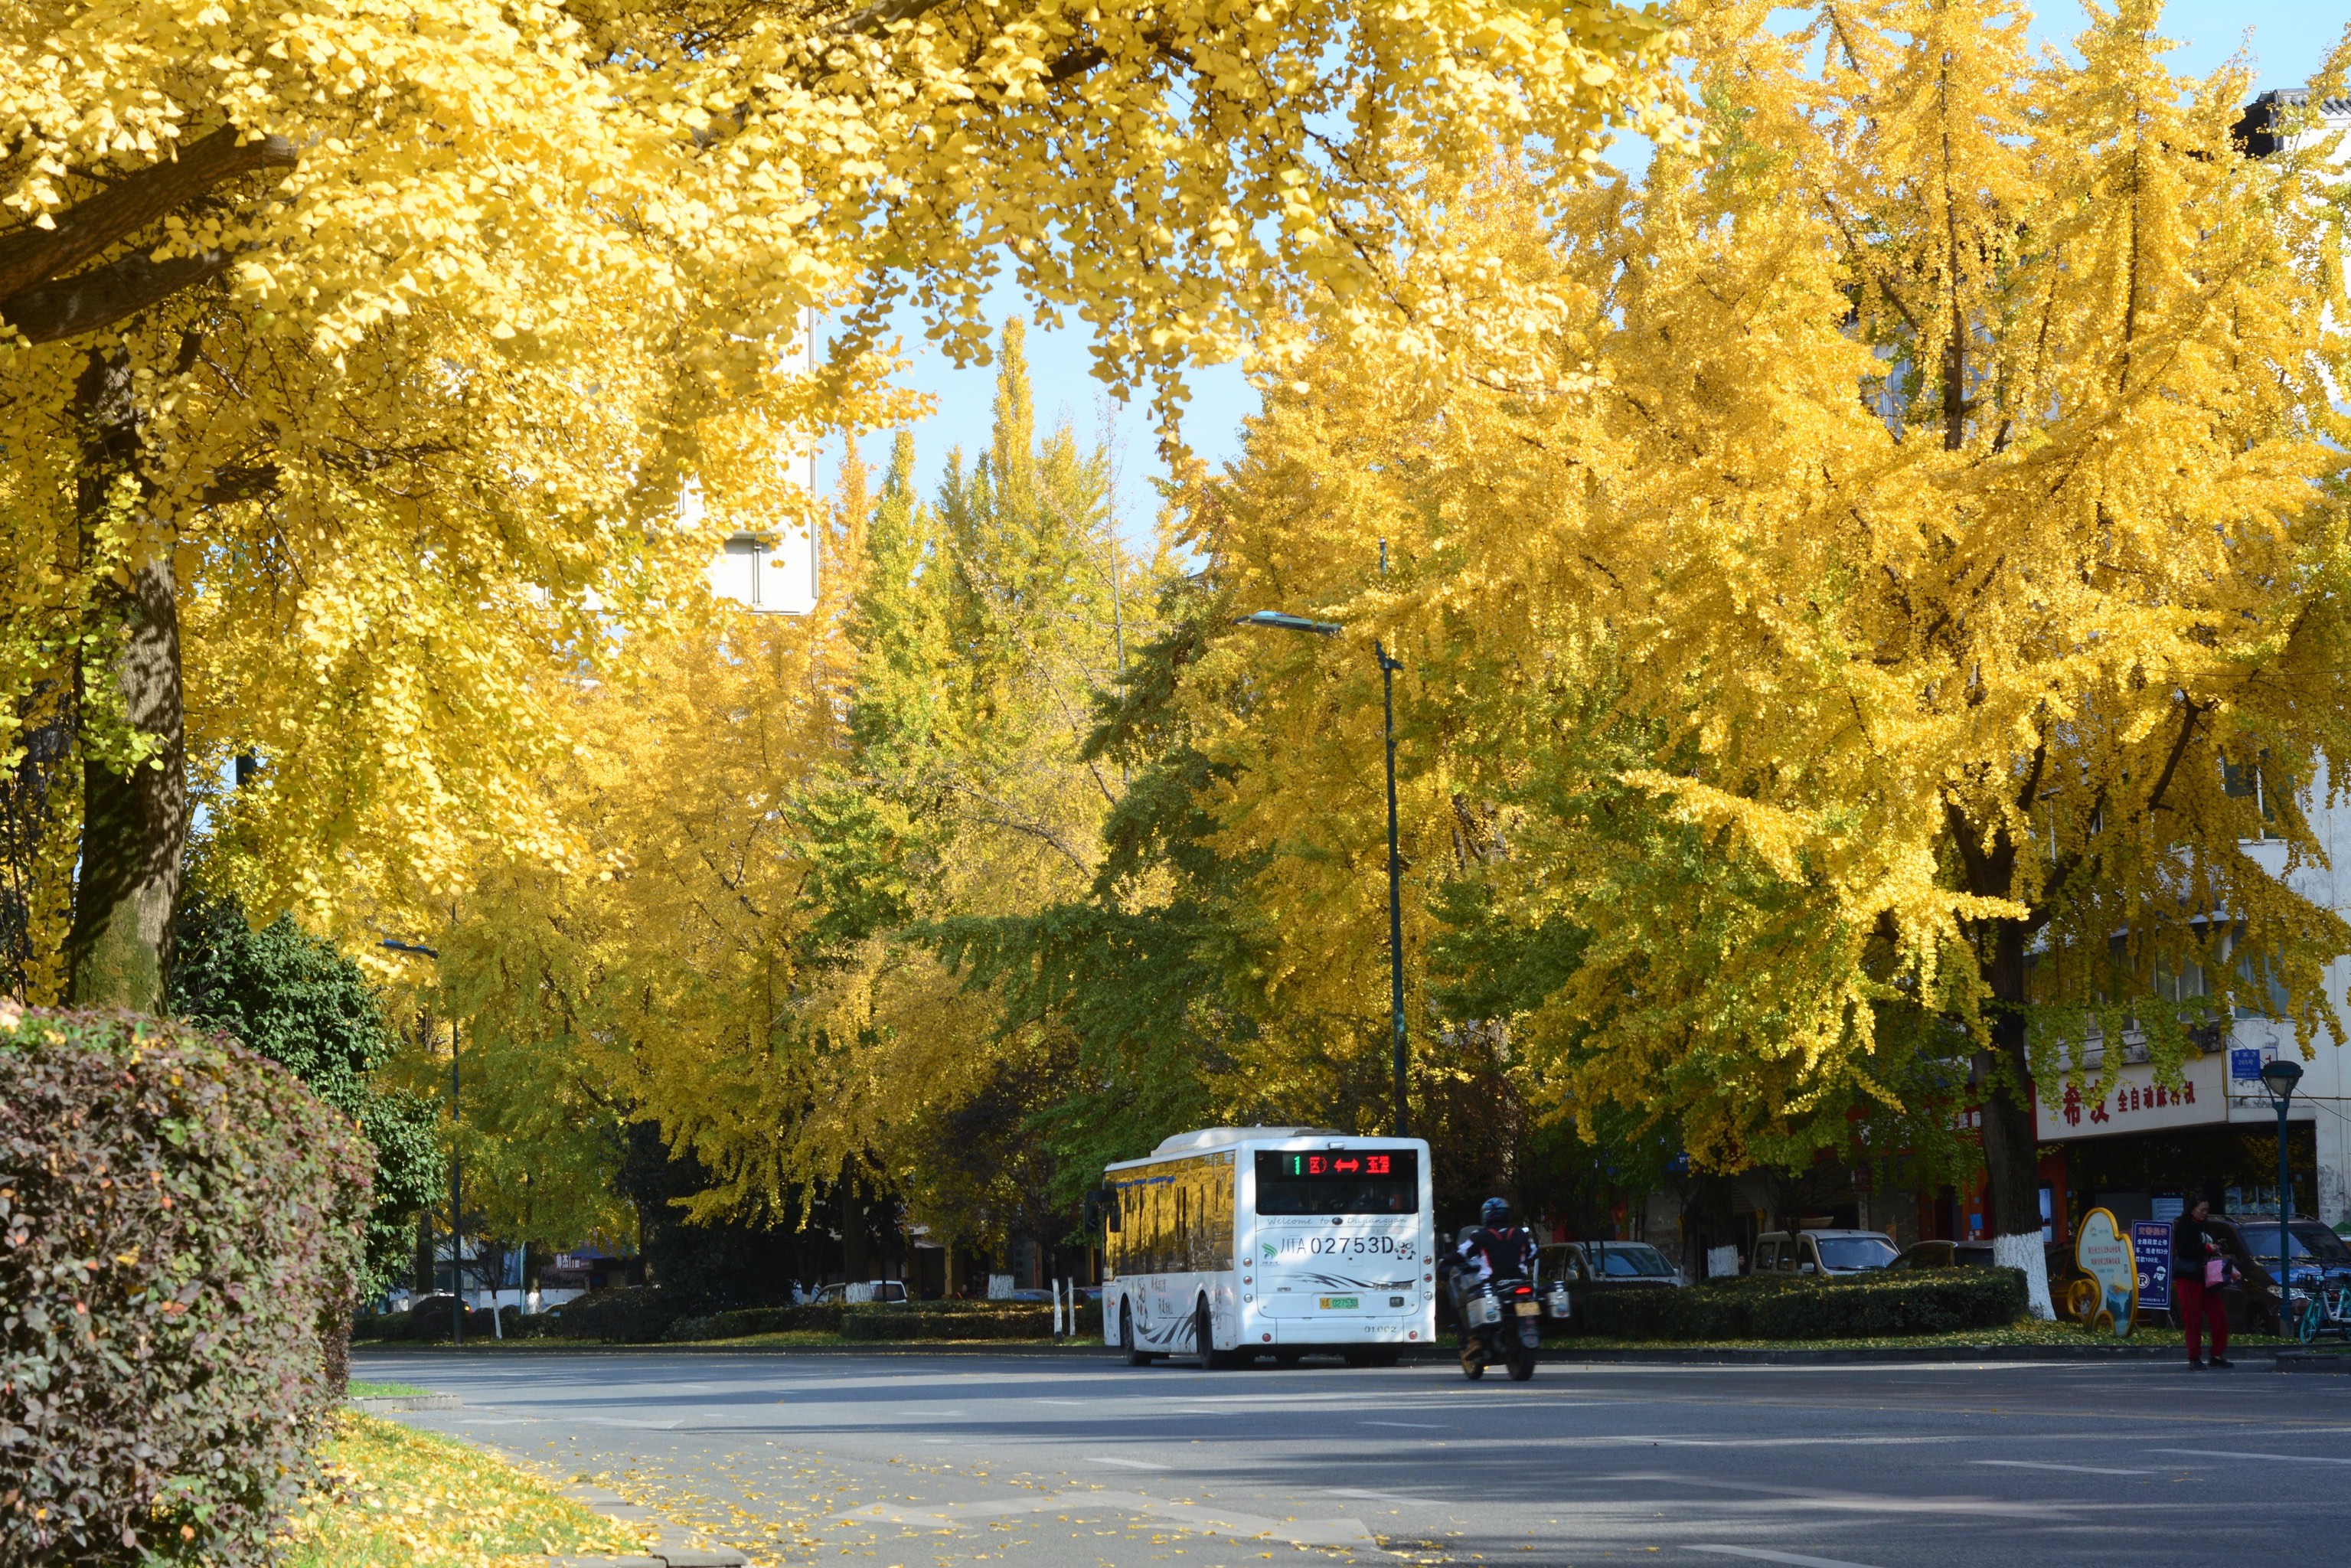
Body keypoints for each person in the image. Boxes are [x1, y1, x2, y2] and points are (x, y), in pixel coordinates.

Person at [2171, 1197, 2233, 1369]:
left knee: (2219, 1316)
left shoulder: (2205, 1225)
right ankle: (2194, 1357)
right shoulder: (2184, 1226)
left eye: (2207, 1210)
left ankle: (2217, 1354)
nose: (2205, 1213)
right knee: (2193, 1318)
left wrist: (2216, 1248)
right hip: (2188, 1277)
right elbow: (2184, 1249)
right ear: (2192, 1209)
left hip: (2207, 1276)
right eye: (2202, 1210)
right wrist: (2206, 1248)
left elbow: (2207, 1246)